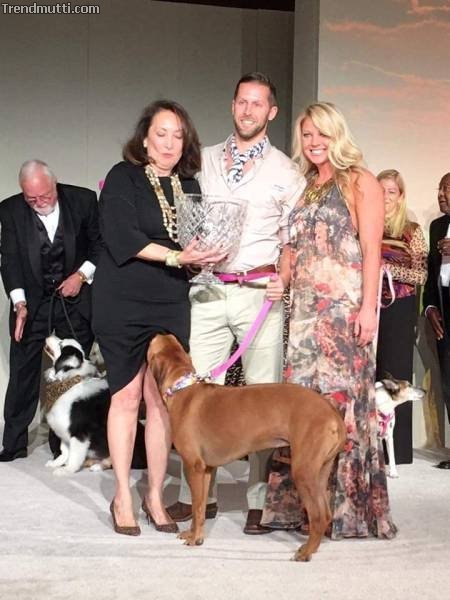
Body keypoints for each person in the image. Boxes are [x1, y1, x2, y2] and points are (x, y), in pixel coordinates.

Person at [166, 72, 305, 534]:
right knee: (197, 395)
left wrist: (284, 277)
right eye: (242, 101)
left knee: (262, 399)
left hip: (258, 293)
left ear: (272, 112)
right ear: (232, 106)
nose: (248, 110)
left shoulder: (286, 171)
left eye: (257, 103)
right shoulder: (202, 160)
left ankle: (258, 502)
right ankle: (196, 499)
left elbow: (292, 240)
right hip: (208, 289)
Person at [261, 102, 397, 539]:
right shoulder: (304, 186)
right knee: (300, 411)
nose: (314, 142)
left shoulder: (361, 181)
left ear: (337, 134)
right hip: (303, 319)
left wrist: (369, 308)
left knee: (342, 411)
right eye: (307, 135)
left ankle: (346, 511)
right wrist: (280, 280)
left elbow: (373, 252)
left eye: (322, 133)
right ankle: (302, 509)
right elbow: (292, 247)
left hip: (343, 315)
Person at [92, 100, 224, 535]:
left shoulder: (189, 185)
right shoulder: (123, 176)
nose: (169, 143)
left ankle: (154, 496)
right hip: (123, 297)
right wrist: (175, 256)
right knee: (127, 397)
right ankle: (123, 497)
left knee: (161, 402)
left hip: (170, 298)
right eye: (161, 134)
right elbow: (121, 237)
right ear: (145, 139)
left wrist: (204, 255)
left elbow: (195, 239)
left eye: (177, 135)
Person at [0, 160, 101, 462]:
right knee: (23, 373)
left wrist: (80, 276)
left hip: (74, 299)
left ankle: (65, 445)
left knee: (72, 374)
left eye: (44, 195)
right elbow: (10, 260)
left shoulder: (83, 201)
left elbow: (99, 246)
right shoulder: (10, 210)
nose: (39, 202)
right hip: (32, 303)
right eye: (31, 198)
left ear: (54, 185)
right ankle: (13, 443)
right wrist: (19, 303)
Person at [375, 169, 427, 465]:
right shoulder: (365, 225)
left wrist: (388, 269)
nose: (385, 197)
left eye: (391, 191)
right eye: (380, 190)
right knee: (369, 373)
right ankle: (369, 448)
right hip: (368, 305)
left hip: (400, 306)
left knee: (396, 373)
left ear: (401, 196)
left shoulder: (412, 230)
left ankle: (398, 451)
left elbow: (421, 275)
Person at [423, 172, 450, 469]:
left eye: (448, 189)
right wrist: (430, 306)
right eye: (440, 189)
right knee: (448, 380)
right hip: (444, 308)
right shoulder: (437, 227)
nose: (441, 194)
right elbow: (431, 273)